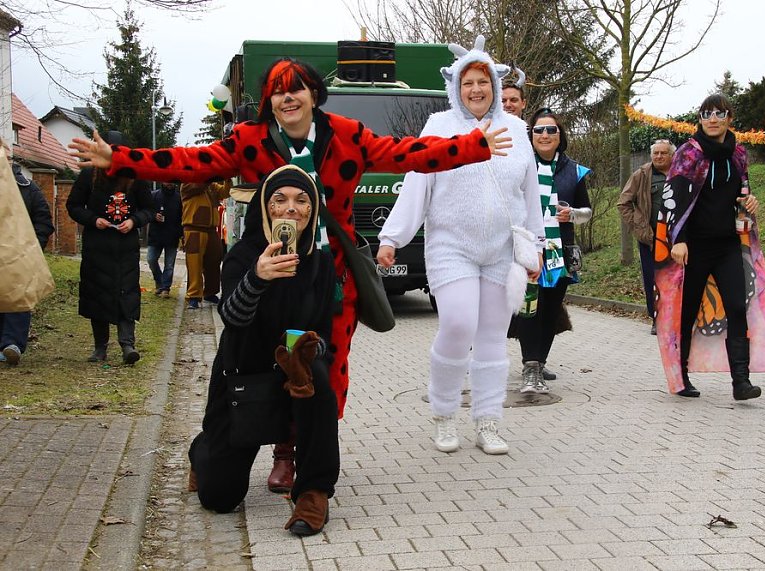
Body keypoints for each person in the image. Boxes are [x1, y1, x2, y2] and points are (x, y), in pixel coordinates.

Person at [69, 57, 510, 490]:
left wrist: (473, 146)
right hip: (272, 278)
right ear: (269, 100)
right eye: (278, 91)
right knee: (271, 363)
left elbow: (406, 152)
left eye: (296, 88)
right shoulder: (250, 140)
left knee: (324, 370)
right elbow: (191, 161)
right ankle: (264, 449)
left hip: (329, 282)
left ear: (313, 93)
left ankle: (304, 457)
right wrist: (120, 159)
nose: (288, 97)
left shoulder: (346, 135)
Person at [377, 35, 544, 455]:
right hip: (452, 246)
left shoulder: (518, 130)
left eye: (483, 82)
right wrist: (392, 237)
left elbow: (529, 195)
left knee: (492, 335)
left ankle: (488, 420)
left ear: (494, 86)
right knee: (456, 323)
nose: (475, 90)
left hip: (501, 249)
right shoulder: (439, 127)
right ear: (456, 86)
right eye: (468, 82)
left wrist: (536, 246)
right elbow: (417, 184)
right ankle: (444, 413)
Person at [188, 164, 339, 536]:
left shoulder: (320, 263)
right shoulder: (241, 255)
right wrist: (257, 277)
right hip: (244, 373)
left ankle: (313, 493)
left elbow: (326, 336)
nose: (291, 208)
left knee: (319, 380)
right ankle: (202, 450)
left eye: (302, 201)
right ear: (265, 208)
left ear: (311, 212)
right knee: (219, 498)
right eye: (280, 200)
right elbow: (232, 318)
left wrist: (309, 353)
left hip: (294, 375)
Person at [653, 94, 765, 399]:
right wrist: (677, 239)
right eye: (706, 113)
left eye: (719, 113)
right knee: (687, 311)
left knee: (737, 305)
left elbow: (742, 193)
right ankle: (680, 377)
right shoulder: (688, 154)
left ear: (729, 118)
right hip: (693, 247)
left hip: (728, 244)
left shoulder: (739, 155)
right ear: (700, 119)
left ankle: (741, 382)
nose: (712, 118)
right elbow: (673, 195)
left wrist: (750, 203)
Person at [515, 109, 591, 393]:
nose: (545, 135)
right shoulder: (520, 166)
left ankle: (538, 363)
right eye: (538, 130)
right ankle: (530, 367)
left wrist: (572, 214)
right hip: (527, 252)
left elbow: (587, 211)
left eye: (551, 130)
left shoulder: (574, 170)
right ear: (530, 136)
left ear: (560, 135)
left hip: (560, 254)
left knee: (549, 312)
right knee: (529, 310)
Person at [66, 130, 155, 365]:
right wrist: (93, 220)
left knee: (127, 293)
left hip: (125, 247)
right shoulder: (88, 175)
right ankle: (100, 347)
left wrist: (133, 221)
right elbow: (73, 205)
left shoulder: (135, 177)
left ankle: (127, 345)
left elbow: (149, 209)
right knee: (98, 294)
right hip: (98, 245)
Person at [0, 142, 54, 366]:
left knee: (18, 299)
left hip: (17, 258)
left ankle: (12, 344)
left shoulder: (27, 188)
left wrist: (33, 248)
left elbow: (44, 221)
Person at [617, 139, 675, 335]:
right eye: (655, 153)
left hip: (678, 240)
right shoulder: (642, 175)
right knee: (653, 280)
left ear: (671, 155)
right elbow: (623, 203)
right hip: (650, 240)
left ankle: (677, 318)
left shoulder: (681, 173)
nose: (659, 156)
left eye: (663, 153)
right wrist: (639, 228)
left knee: (677, 280)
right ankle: (656, 318)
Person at [181, 181, 231, 309]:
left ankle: (210, 292)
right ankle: (193, 295)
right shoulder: (187, 183)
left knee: (215, 259)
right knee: (194, 263)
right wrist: (209, 177)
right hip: (193, 228)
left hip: (211, 229)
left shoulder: (211, 185)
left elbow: (225, 192)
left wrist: (227, 179)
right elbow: (198, 185)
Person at [147, 182, 183, 298]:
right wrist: (153, 216)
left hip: (172, 236)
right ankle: (159, 282)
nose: (169, 183)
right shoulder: (154, 196)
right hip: (155, 235)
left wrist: (182, 235)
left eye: (172, 181)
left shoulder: (179, 198)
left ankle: (165, 288)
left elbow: (182, 218)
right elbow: (146, 212)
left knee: (169, 265)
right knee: (151, 259)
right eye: (167, 181)